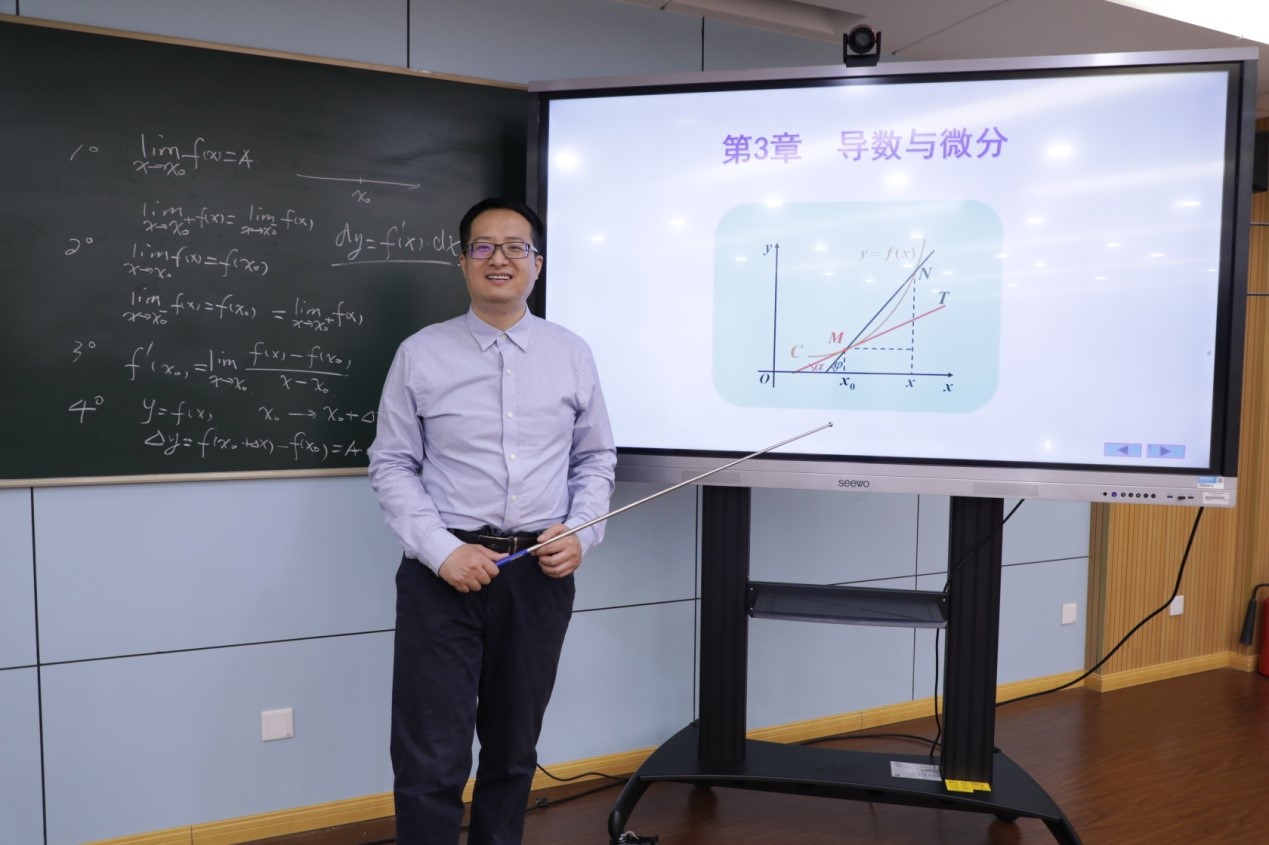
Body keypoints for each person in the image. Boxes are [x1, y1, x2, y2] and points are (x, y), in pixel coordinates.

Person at [367, 196, 617, 845]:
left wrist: (582, 530)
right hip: (442, 575)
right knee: (431, 755)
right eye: (483, 246)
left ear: (537, 263)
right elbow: (391, 463)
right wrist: (441, 549)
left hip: (538, 573)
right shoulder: (421, 353)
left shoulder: (571, 353)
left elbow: (595, 458)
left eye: (514, 247)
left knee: (512, 749)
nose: (498, 258)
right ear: (463, 262)